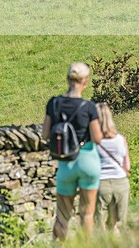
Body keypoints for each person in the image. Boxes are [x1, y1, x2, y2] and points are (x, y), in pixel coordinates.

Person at [42, 63, 103, 240]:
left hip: (66, 163)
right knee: (87, 215)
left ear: (68, 79)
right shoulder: (89, 107)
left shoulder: (53, 104)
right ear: (85, 81)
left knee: (62, 217)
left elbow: (45, 134)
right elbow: (97, 138)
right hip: (88, 162)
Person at [94, 103, 130, 234]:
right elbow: (127, 166)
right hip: (120, 183)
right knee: (115, 224)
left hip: (101, 183)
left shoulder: (94, 142)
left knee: (100, 224)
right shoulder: (121, 139)